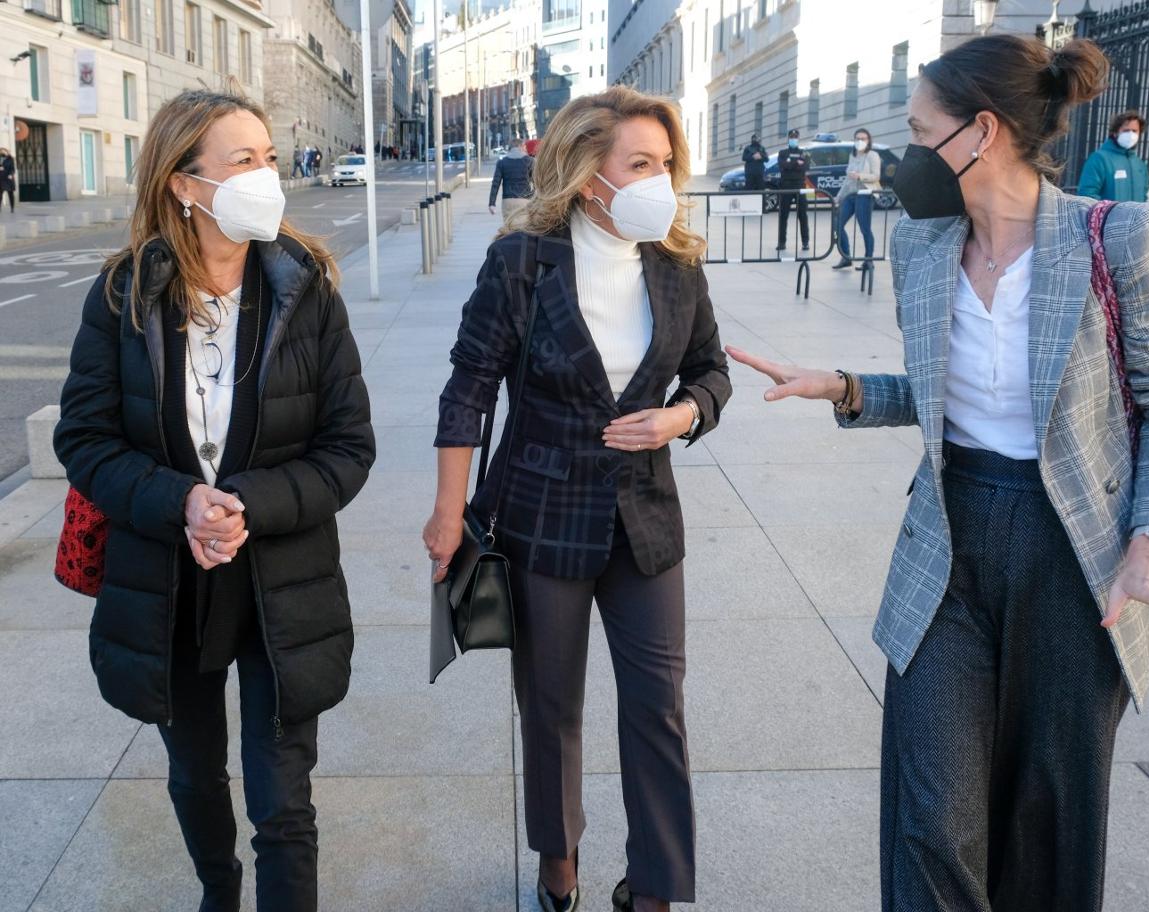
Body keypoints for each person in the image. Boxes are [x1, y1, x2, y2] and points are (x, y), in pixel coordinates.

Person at [727, 34, 1149, 912]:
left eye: (921, 132)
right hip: (948, 540)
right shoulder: (923, 245)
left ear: (981, 132)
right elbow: (943, 395)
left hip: (1076, 554)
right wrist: (844, 387)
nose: (908, 153)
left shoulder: (1115, 237)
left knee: (1046, 819)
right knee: (932, 818)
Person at [54, 89, 376, 912]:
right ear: (184, 184)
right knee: (195, 773)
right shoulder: (124, 294)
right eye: (243, 162)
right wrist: (182, 504)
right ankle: (219, 890)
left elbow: (348, 449)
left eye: (268, 158)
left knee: (283, 802)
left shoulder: (307, 290)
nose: (266, 176)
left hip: (283, 584)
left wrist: (244, 504)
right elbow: (85, 440)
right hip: (169, 585)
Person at [423, 85, 732, 912]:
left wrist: (682, 415)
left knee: (659, 706)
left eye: (665, 164)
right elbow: (469, 387)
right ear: (587, 171)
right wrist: (449, 512)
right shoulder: (522, 262)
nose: (658, 181)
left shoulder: (677, 263)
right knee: (551, 703)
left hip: (646, 522)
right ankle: (557, 860)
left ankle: (656, 885)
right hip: (542, 517)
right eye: (640, 164)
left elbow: (710, 370)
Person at [832, 127, 880, 270]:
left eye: (863, 138)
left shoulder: (872, 155)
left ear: (868, 140)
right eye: (857, 138)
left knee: (864, 228)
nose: (860, 141)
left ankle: (868, 260)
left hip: (865, 195)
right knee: (837, 224)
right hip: (850, 195)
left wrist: (860, 176)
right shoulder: (852, 156)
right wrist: (838, 197)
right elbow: (847, 180)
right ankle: (846, 257)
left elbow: (876, 176)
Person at [1077, 109, 1149, 202]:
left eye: (1134, 131)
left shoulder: (1140, 165)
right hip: (1109, 212)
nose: (1131, 134)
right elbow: (1087, 195)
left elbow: (1144, 197)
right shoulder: (1099, 159)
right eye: (1126, 130)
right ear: (1115, 132)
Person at [776, 128, 810, 252]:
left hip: (800, 186)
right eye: (791, 137)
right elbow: (782, 166)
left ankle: (805, 242)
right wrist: (796, 164)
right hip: (786, 186)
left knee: (802, 215)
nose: (793, 139)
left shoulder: (804, 152)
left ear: (798, 138)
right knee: (783, 215)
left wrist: (791, 164)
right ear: (788, 138)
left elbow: (805, 167)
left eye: (795, 137)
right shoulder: (782, 153)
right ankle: (781, 242)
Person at [489, 136, 533, 218]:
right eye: (524, 147)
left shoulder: (502, 162)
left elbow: (495, 183)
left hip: (507, 201)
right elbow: (537, 182)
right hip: (524, 201)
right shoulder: (529, 161)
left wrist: (492, 203)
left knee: (509, 225)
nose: (525, 149)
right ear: (520, 147)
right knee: (523, 225)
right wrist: (534, 198)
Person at [0, 147, 16, 213]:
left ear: (7, 152)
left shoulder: (10, 159)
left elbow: (13, 169)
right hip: (1, 178)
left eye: (4, 151)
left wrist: (11, 174)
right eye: (1, 151)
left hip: (8, 179)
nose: (3, 152)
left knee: (10, 194)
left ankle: (12, 208)